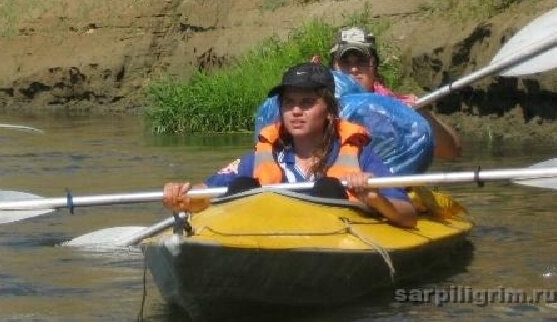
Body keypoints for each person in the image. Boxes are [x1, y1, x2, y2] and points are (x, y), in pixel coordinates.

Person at [163, 62, 418, 228]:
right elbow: (205, 193)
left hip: (329, 245)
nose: (296, 111)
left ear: (329, 111)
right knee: (242, 186)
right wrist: (183, 197)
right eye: (289, 103)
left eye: (307, 103)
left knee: (328, 189)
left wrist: (374, 198)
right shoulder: (265, 155)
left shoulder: (358, 154)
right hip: (269, 241)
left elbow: (407, 215)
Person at [330, 27, 462, 160]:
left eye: (361, 61)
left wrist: (424, 116)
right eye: (345, 62)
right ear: (333, 68)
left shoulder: (399, 108)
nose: (354, 69)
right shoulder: (319, 106)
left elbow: (452, 153)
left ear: (374, 66)